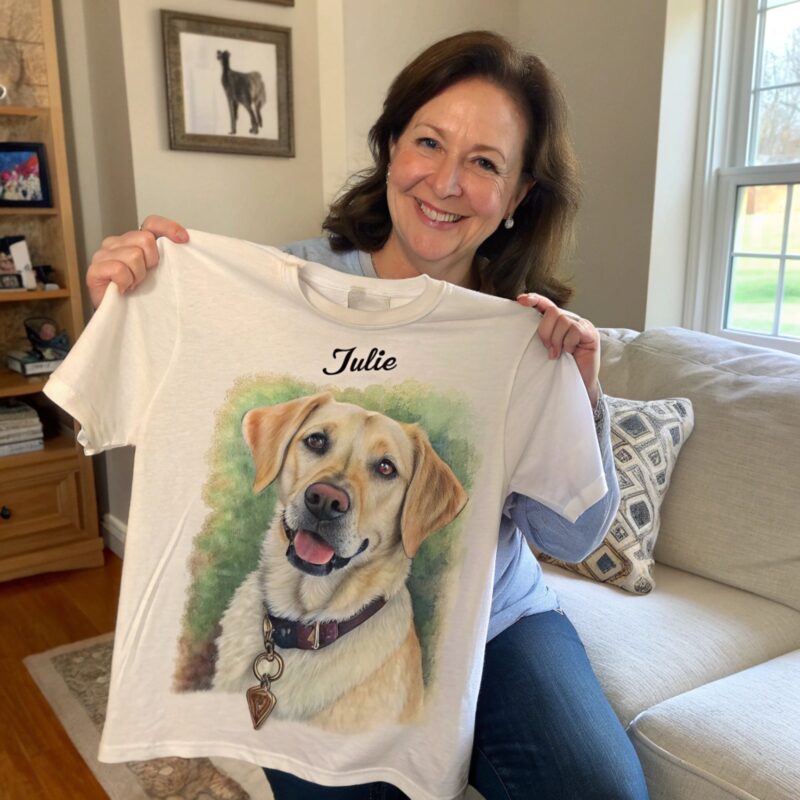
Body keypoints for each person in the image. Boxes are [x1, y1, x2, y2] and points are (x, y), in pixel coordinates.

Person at [84, 30, 648, 800]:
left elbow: (572, 537)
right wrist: (141, 299)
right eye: (429, 142)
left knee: (603, 790)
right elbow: (161, 416)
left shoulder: (523, 334)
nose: (446, 181)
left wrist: (579, 398)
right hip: (315, 626)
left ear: (517, 197)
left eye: (484, 163)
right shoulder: (274, 289)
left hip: (498, 618)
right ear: (390, 149)